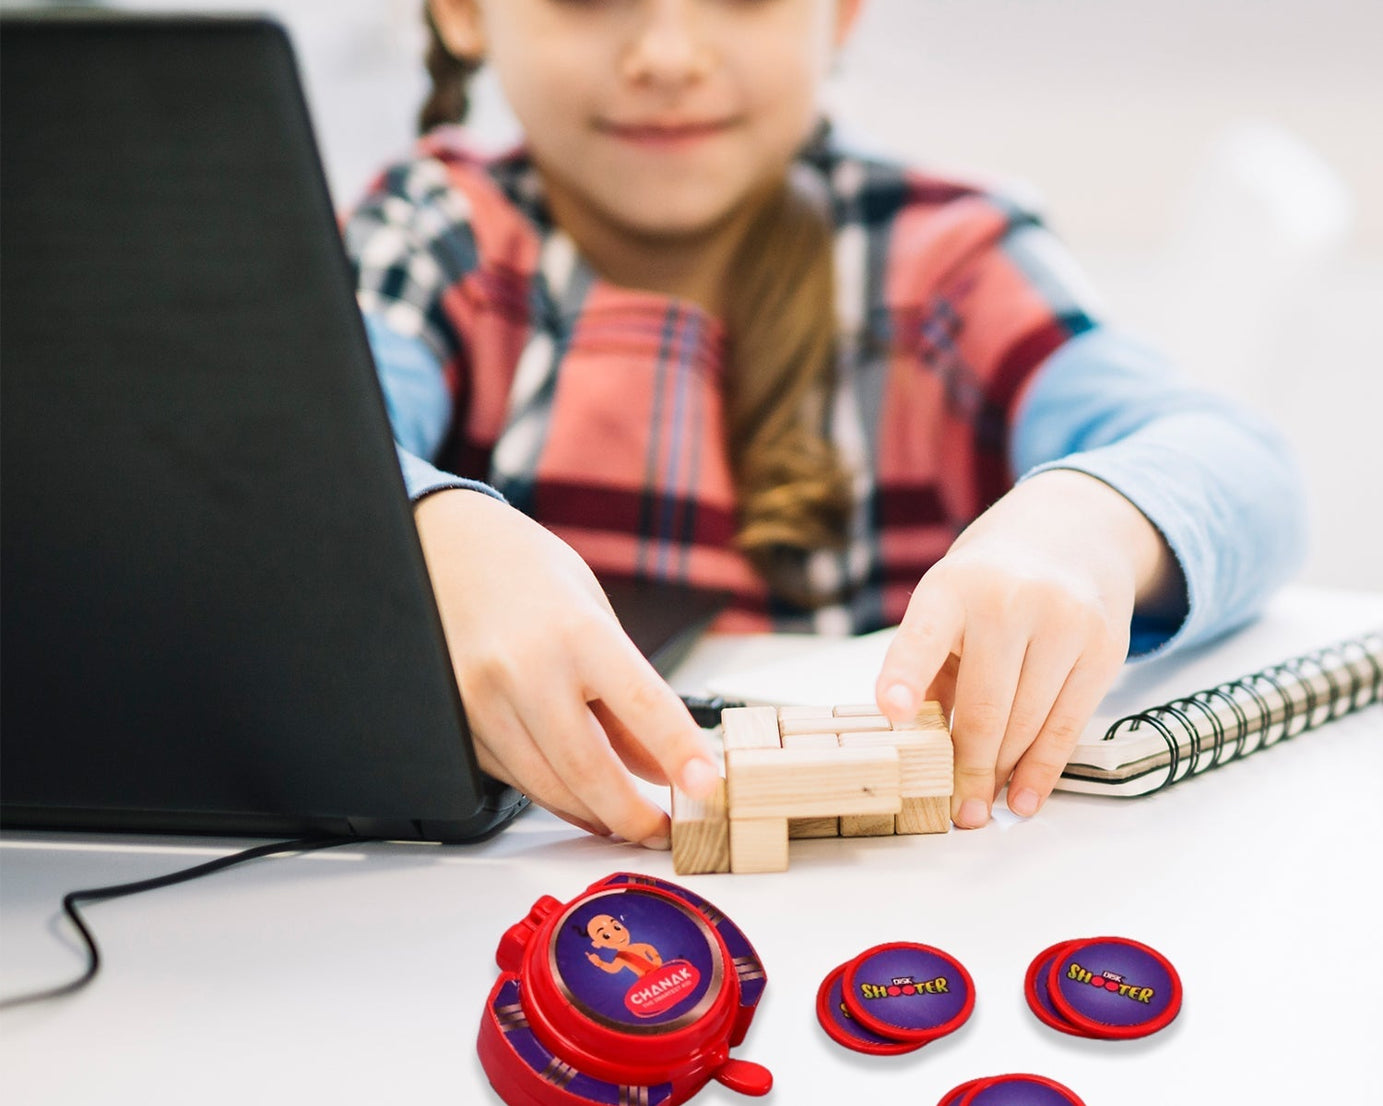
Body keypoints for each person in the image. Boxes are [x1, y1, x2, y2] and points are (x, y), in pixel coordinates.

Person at [342, 0, 1306, 842]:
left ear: (840, 11)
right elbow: (285, 469)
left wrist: (1089, 524)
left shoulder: (949, 259)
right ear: (462, 10)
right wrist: (430, 523)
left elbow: (1242, 466)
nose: (668, 55)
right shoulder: (434, 231)